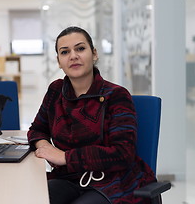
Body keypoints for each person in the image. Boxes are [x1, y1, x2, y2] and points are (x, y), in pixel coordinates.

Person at [27, 26, 156, 204]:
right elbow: (37, 130)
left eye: (80, 48)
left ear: (94, 54)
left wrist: (64, 157)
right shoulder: (56, 91)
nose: (73, 56)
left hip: (114, 181)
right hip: (69, 178)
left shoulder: (117, 95)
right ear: (59, 61)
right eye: (65, 52)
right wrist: (45, 149)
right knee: (32, 198)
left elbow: (123, 153)